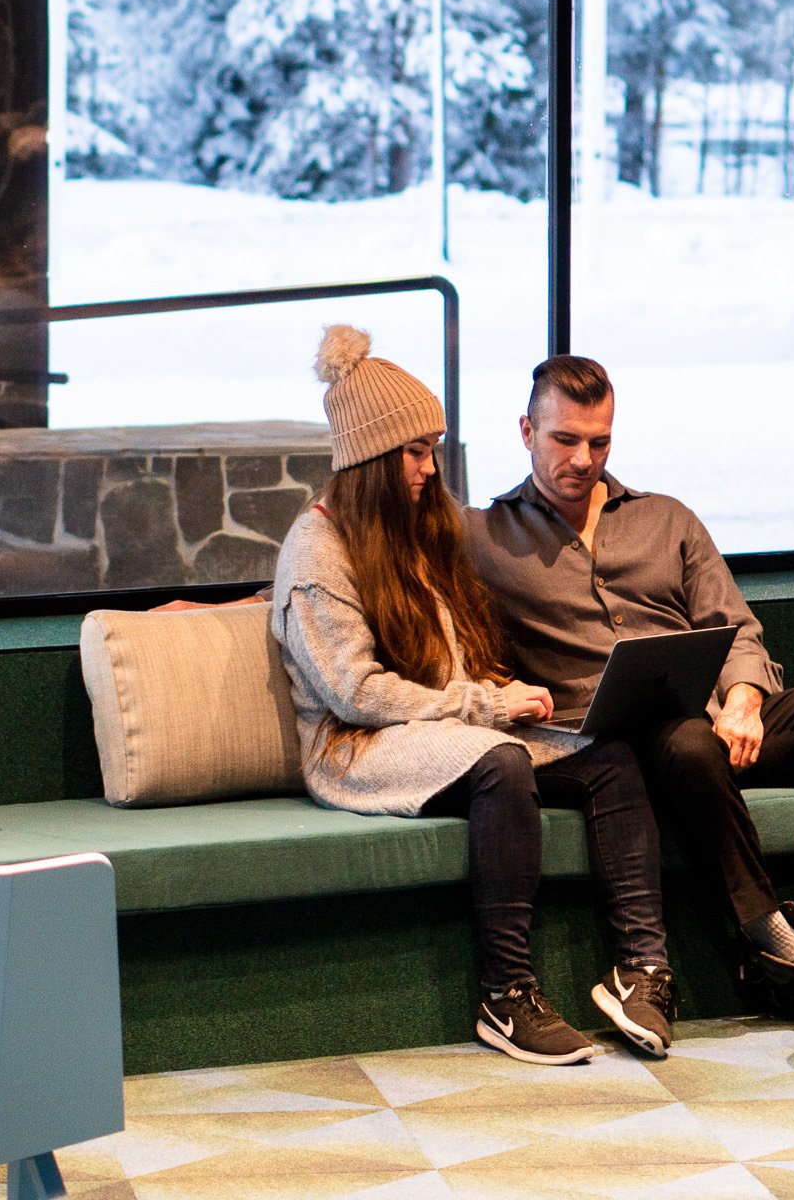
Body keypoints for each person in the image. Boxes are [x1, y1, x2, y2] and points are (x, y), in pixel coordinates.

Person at [464, 353, 794, 1032]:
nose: (582, 458)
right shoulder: (484, 537)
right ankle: (776, 947)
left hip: (721, 725)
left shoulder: (666, 519)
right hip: (616, 745)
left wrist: (743, 696)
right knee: (684, 743)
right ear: (525, 432)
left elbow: (735, 625)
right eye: (564, 439)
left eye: (599, 441)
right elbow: (387, 574)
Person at [272, 325, 678, 1066]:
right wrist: (485, 707)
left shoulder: (419, 529)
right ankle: (506, 993)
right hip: (355, 747)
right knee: (501, 763)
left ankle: (642, 971)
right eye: (416, 451)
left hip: (437, 728)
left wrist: (500, 689)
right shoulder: (316, 550)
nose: (432, 467)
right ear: (370, 457)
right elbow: (355, 692)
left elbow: (453, 655)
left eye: (433, 447)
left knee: (610, 758)